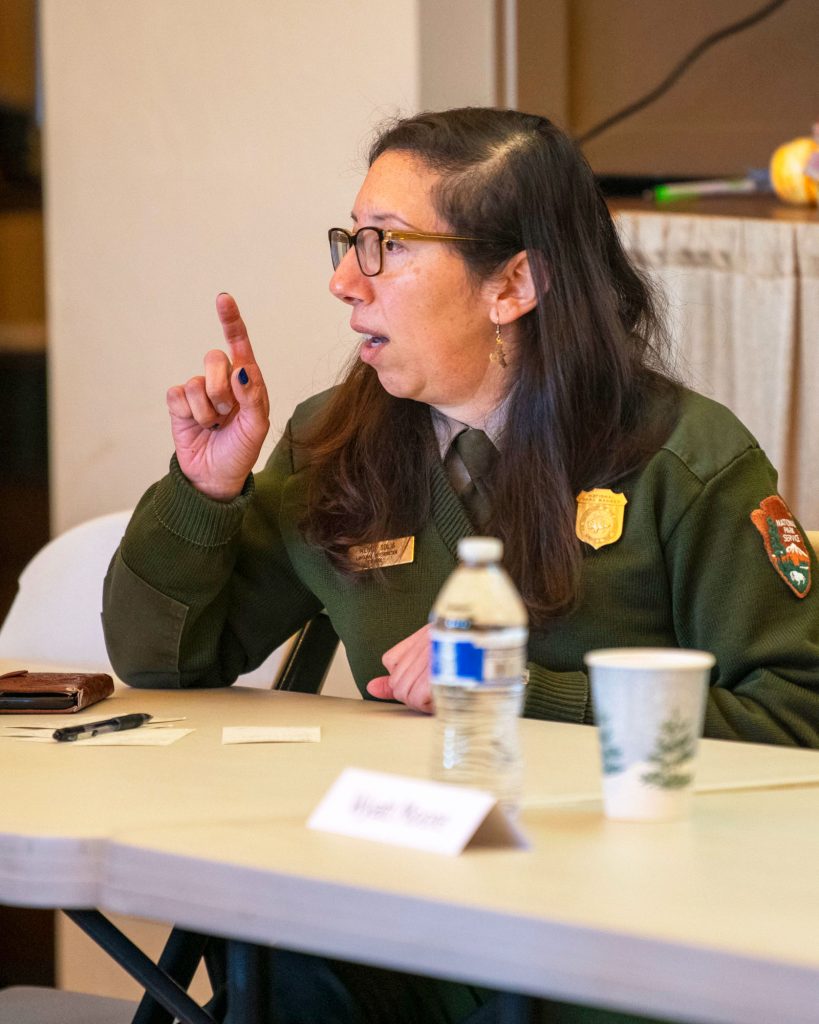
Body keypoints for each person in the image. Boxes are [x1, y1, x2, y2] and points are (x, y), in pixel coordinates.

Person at [102, 106, 818, 1021]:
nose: (342, 282)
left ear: (513, 282)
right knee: (270, 950)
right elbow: (164, 664)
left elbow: (797, 720)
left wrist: (516, 688)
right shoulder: (335, 441)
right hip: (403, 902)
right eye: (348, 240)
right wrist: (205, 495)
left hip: (618, 929)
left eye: (384, 246)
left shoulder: (684, 459)